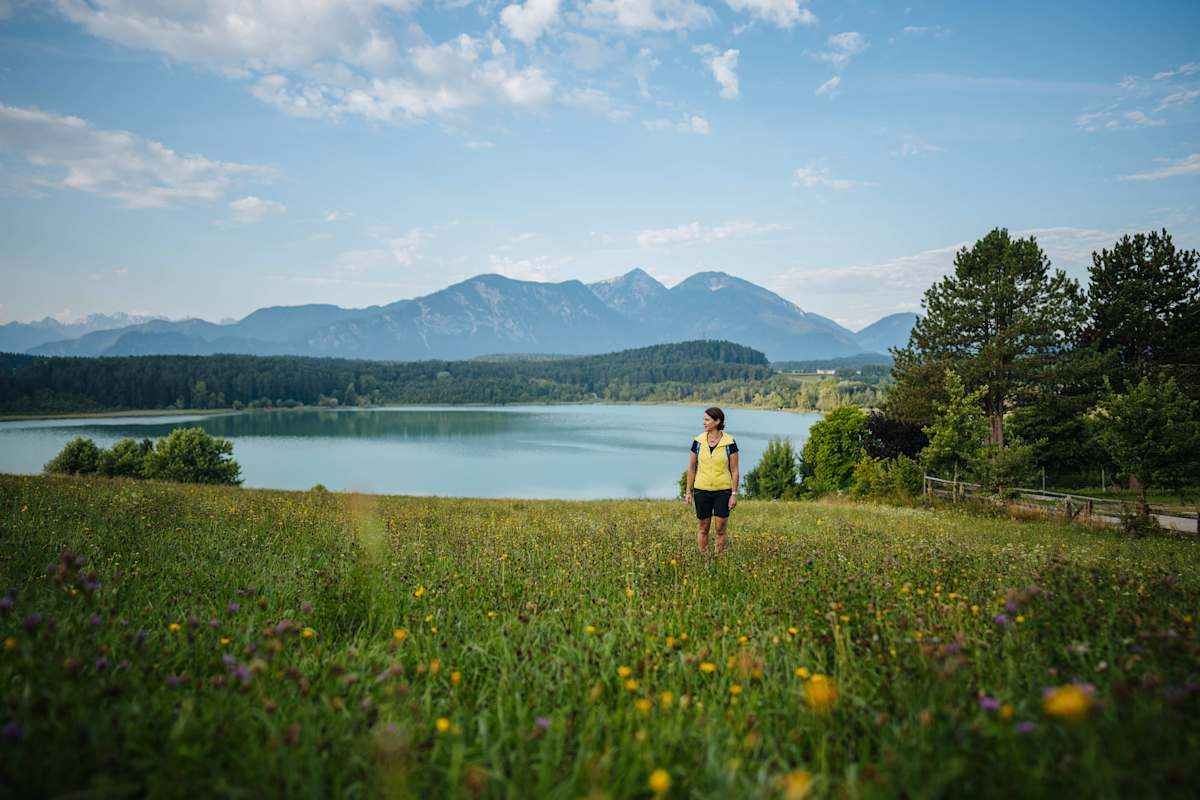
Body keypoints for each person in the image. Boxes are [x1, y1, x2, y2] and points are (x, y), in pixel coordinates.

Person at [684, 407, 739, 557]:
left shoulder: (730, 442)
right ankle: (705, 559)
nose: (704, 423)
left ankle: (719, 559)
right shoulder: (698, 441)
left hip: (723, 491)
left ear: (717, 421)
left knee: (720, 527)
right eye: (704, 419)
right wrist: (688, 492)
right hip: (701, 490)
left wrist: (734, 494)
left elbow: (734, 470)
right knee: (703, 527)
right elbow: (691, 468)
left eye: (707, 420)